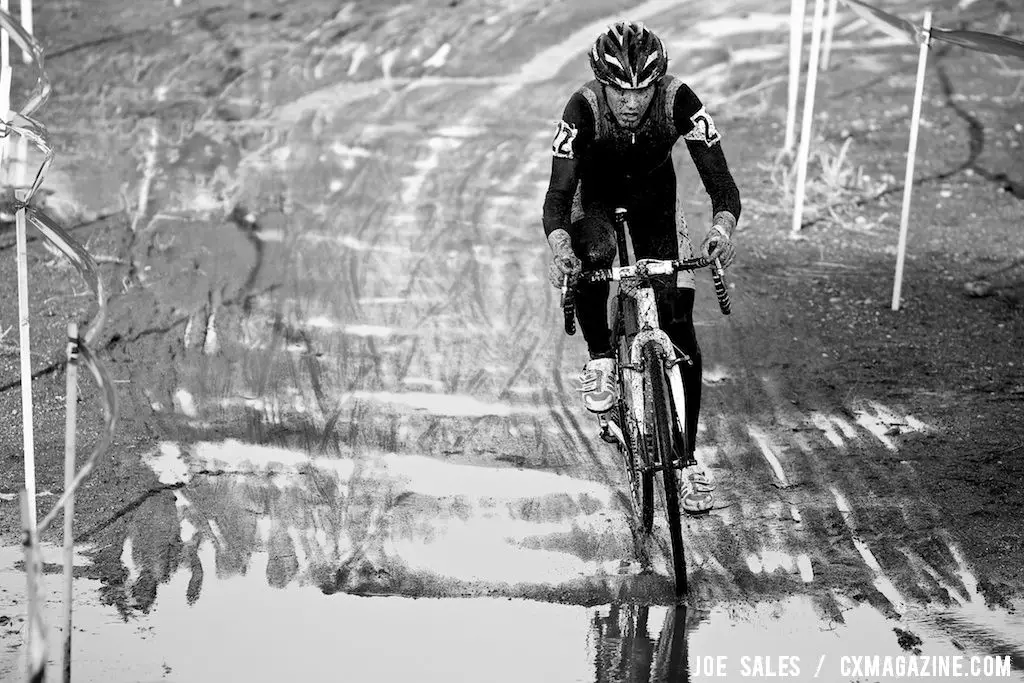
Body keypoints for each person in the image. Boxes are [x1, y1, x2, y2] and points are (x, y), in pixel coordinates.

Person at [541, 20, 741, 515]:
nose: (631, 102)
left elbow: (723, 184)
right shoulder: (581, 108)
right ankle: (600, 359)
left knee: (677, 320)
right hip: (596, 202)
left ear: (659, 82)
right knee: (597, 253)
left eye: (642, 89)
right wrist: (561, 248)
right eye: (619, 90)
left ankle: (689, 461)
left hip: (657, 200)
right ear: (602, 84)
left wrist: (720, 232)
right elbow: (558, 197)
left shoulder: (680, 100)